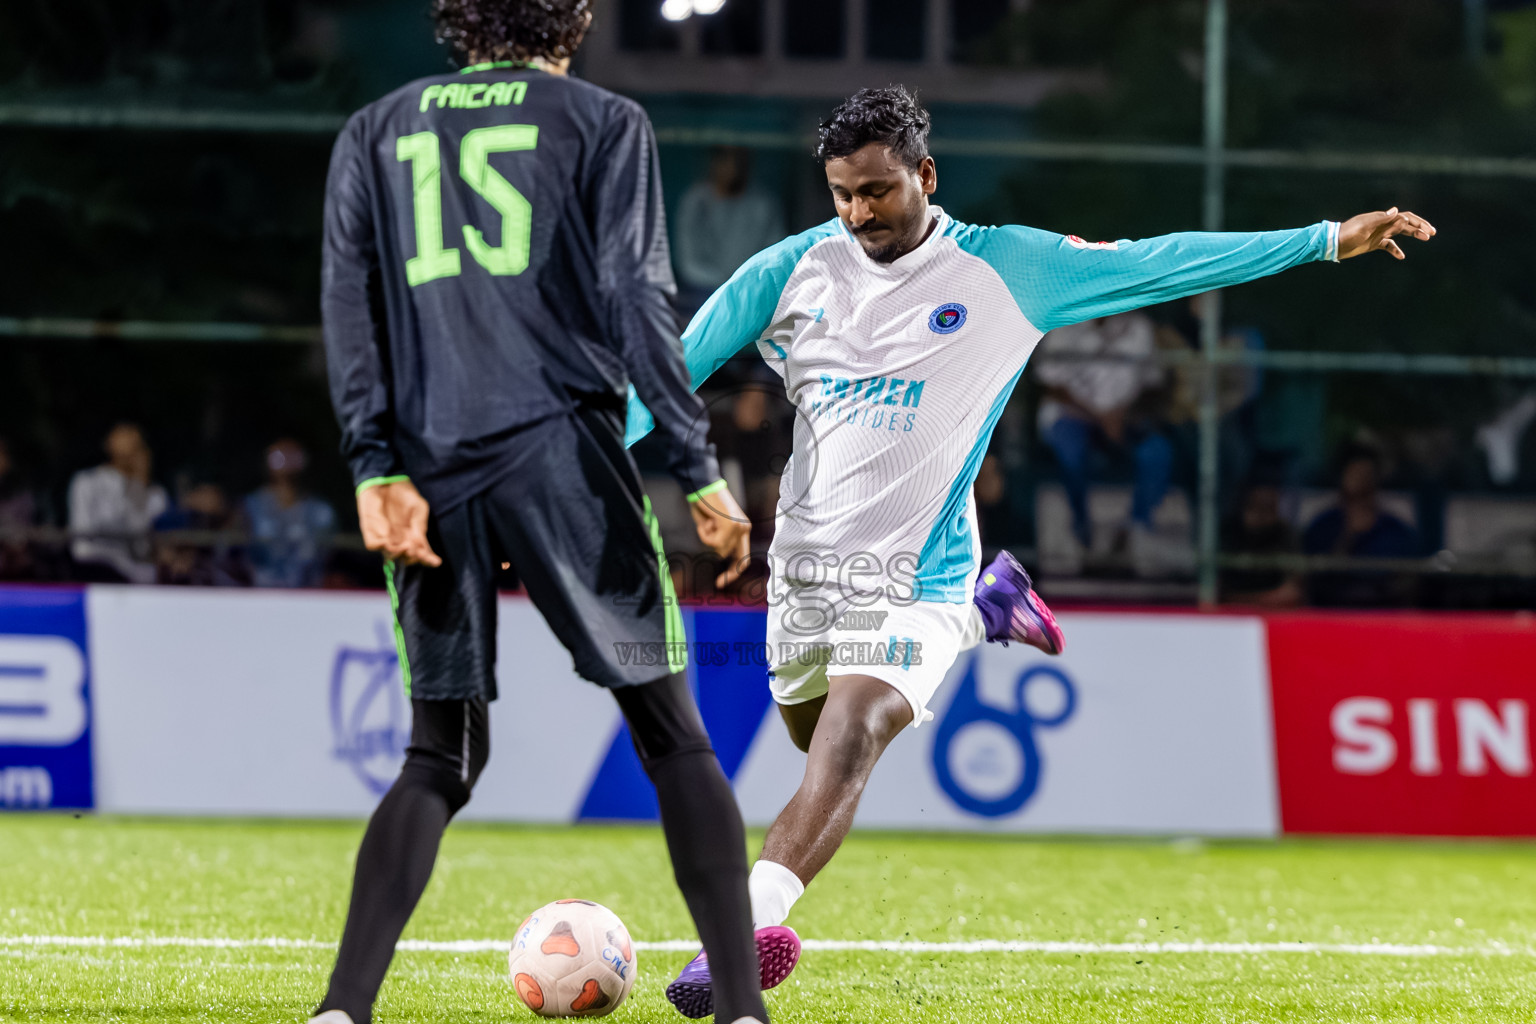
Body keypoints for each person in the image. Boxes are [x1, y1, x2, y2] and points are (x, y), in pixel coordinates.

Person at [626, 86, 1434, 1004]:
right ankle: (987, 613)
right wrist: (556, 475)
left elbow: (1161, 263)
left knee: (851, 733)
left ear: (926, 176)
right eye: (844, 193)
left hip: (918, 573)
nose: (860, 213)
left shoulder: (1008, 267)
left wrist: (1326, 238)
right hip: (808, 574)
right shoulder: (794, 270)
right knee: (816, 737)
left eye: (881, 191)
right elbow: (662, 373)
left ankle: (742, 937)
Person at [309, 2, 774, 1023]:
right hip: (563, 447)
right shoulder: (605, 121)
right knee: (675, 739)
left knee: (438, 753)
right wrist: (696, 467)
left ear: (458, 22)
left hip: (427, 464)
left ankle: (341, 1010)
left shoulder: (375, 128)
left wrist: (372, 463)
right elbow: (637, 298)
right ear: (576, 17)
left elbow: (351, 307)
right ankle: (742, 1011)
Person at [1033, 310, 1177, 573]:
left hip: (1125, 417)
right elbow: (1050, 385)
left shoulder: (1138, 327)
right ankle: (1081, 526)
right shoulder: (1066, 321)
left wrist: (1123, 414)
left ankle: (1133, 528)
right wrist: (1099, 417)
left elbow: (1153, 385)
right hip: (1073, 415)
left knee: (1157, 452)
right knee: (1071, 451)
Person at [1303, 444, 1419, 607]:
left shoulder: (1396, 531)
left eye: (1367, 474)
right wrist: (1348, 537)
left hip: (1382, 617)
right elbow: (1314, 581)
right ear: (1342, 477)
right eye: (1355, 473)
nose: (1362, 480)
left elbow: (1408, 583)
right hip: (1332, 615)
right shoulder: (1322, 527)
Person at [674, 146, 786, 312]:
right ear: (713, 162)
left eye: (739, 159)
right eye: (726, 158)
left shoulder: (763, 202)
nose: (733, 167)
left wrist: (746, 284)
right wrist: (727, 284)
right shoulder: (695, 201)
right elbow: (688, 263)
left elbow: (776, 254)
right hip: (703, 295)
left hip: (752, 294)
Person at [67, 422, 168, 584]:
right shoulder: (86, 482)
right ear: (109, 442)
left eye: (134, 438)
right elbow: (82, 547)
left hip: (139, 578)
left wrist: (139, 485)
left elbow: (142, 545)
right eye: (124, 433)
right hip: (97, 571)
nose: (129, 441)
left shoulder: (155, 493)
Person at [244, 439, 336, 588]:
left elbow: (329, 554)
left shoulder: (321, 511)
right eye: (279, 456)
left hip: (309, 593)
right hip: (259, 592)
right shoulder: (251, 506)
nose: (285, 461)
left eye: (292, 456)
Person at [1221, 478, 1303, 607]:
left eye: (1268, 508)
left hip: (1275, 616)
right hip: (1230, 617)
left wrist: (1242, 602)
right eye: (1255, 507)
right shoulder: (1229, 534)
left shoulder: (1285, 536)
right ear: (1243, 506)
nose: (1261, 515)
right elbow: (1214, 593)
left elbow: (1292, 594)